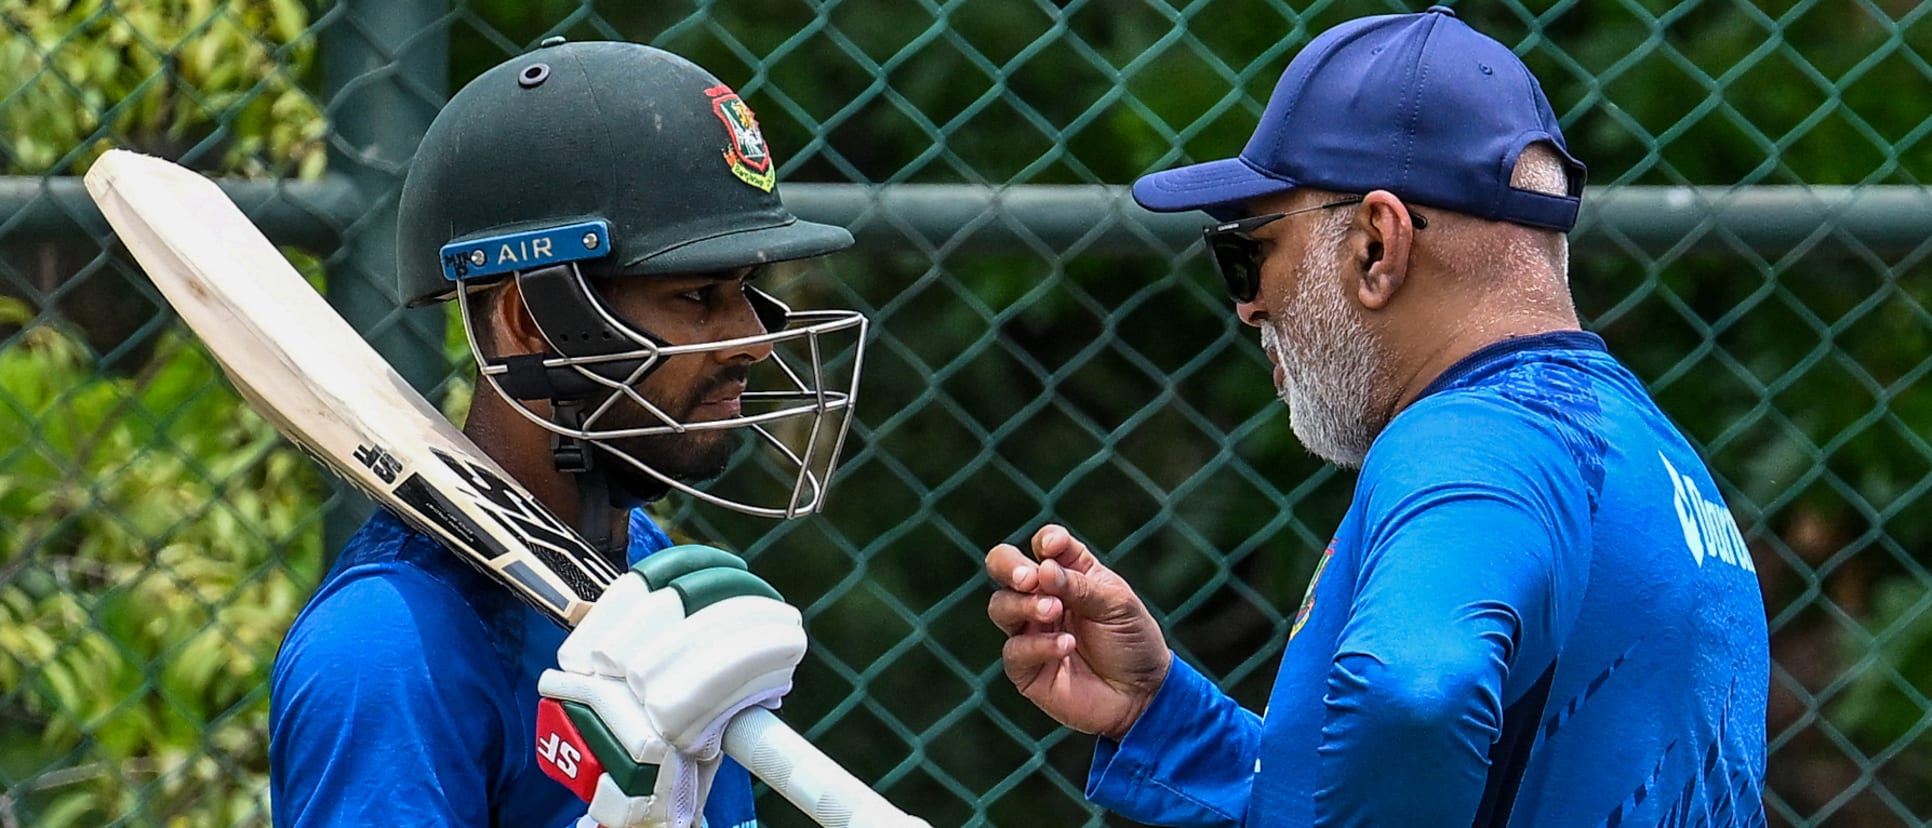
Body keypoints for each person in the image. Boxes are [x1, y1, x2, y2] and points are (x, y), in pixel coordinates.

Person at [985, 7, 1769, 826]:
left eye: (1247, 252)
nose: (1249, 307)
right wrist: (1159, 715)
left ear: (1377, 245)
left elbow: (1414, 692)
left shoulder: (1476, 437)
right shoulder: (1647, 455)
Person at [269, 39, 868, 828]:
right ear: (528, 322)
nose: (753, 339)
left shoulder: (650, 575)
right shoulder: (386, 647)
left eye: (746, 290)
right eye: (696, 296)